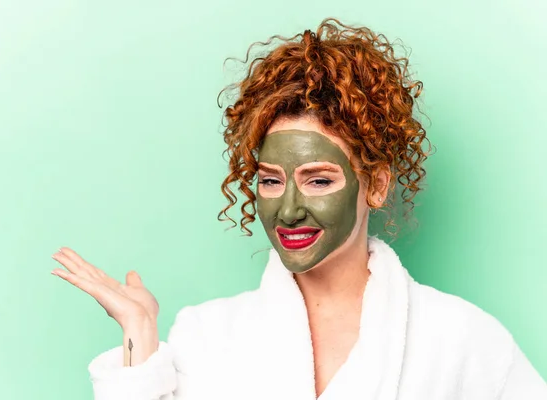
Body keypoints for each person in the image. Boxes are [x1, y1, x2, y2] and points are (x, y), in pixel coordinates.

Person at [50, 18, 547, 400]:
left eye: (319, 180)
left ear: (373, 184)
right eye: (270, 180)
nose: (288, 210)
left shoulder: (460, 339)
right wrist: (139, 338)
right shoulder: (208, 335)